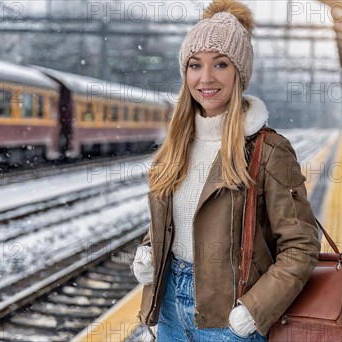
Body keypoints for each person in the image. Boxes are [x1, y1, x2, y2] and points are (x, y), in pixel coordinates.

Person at [131, 0, 320, 340]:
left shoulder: (268, 151)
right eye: (194, 65)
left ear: (240, 73)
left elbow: (301, 245)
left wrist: (256, 307)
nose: (205, 78)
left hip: (230, 317)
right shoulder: (175, 147)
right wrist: (149, 249)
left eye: (220, 64)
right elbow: (180, 218)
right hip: (170, 307)